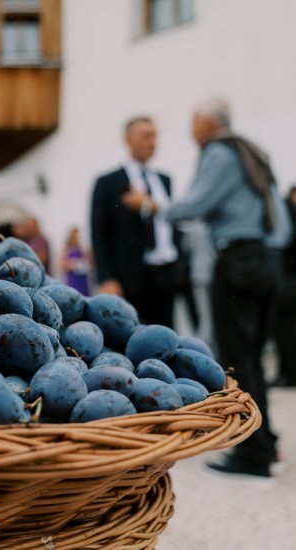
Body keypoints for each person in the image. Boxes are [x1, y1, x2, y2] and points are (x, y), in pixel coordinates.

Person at [123, 98, 284, 478]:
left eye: (194, 123)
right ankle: (266, 439)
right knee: (253, 354)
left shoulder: (220, 151)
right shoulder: (250, 152)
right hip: (264, 259)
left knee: (237, 358)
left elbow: (192, 206)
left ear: (209, 124)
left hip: (238, 262)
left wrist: (148, 205)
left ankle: (253, 454)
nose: (191, 131)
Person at [91, 116, 179, 328]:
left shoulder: (165, 180)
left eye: (155, 136)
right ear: (128, 140)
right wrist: (106, 277)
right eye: (146, 136)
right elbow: (98, 232)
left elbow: (170, 224)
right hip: (129, 279)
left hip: (166, 277)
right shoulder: (107, 183)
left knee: (165, 338)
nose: (152, 142)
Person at [270, 184, 296, 387]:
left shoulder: (288, 212)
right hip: (286, 280)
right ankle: (287, 371)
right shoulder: (286, 211)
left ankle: (288, 373)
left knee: (284, 329)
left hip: (288, 281)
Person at [60, 227, 91, 296]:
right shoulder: (67, 249)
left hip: (83, 280)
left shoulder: (82, 248)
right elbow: (61, 266)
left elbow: (89, 262)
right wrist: (73, 264)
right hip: (73, 279)